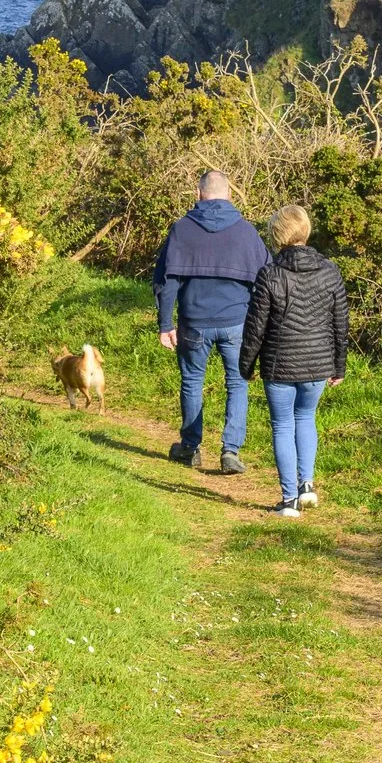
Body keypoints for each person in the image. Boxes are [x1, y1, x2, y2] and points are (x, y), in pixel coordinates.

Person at [153, 169, 269, 472]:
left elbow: (167, 281)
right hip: (236, 322)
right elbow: (265, 280)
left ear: (198, 193)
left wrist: (165, 324)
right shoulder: (247, 232)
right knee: (237, 383)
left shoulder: (181, 230)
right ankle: (231, 451)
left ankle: (190, 447)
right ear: (229, 194)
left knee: (192, 381)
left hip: (193, 321)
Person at [238, 203, 349, 517]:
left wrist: (246, 365)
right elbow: (341, 323)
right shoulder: (330, 271)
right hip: (318, 363)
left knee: (282, 426)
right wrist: (339, 365)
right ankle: (306, 485)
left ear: (276, 234)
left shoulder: (269, 274)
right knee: (306, 418)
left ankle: (288, 501)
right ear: (306, 230)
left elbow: (255, 327)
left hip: (279, 364)